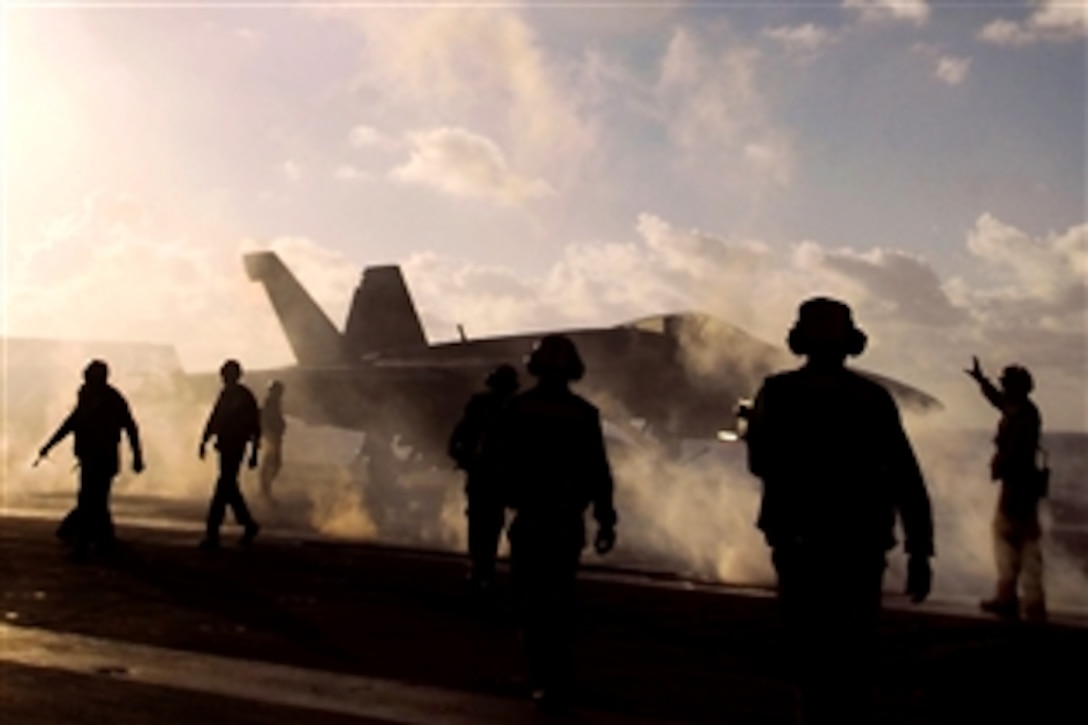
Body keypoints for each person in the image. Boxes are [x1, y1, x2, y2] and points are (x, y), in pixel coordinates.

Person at [745, 297, 934, 725]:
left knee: (808, 654)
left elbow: (760, 464)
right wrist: (920, 549)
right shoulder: (873, 399)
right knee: (853, 655)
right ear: (849, 343)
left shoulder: (776, 394)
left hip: (798, 544)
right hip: (859, 545)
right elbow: (906, 477)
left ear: (800, 341)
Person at [481, 335, 617, 715]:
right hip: (566, 522)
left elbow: (492, 461)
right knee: (560, 599)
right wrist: (606, 519)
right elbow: (598, 471)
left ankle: (543, 677)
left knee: (530, 602)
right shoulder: (584, 413)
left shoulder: (517, 409)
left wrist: (498, 502)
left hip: (531, 519)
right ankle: (558, 677)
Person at [965, 356, 1046, 622]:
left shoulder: (1023, 413)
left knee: (1011, 540)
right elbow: (999, 401)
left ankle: (1012, 600)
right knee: (1021, 541)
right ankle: (1024, 600)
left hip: (1018, 487)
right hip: (1021, 485)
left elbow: (1014, 450)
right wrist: (982, 381)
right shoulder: (1023, 410)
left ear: (1017, 387)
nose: (1004, 389)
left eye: (1007, 384)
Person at [38, 359, 144, 558]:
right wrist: (49, 445)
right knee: (95, 500)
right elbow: (73, 422)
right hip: (90, 457)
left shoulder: (112, 399)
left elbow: (130, 427)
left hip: (103, 458)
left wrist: (137, 456)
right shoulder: (87, 396)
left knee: (91, 499)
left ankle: (81, 542)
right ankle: (101, 539)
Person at [448, 364, 520, 589]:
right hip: (499, 475)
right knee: (491, 523)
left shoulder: (482, 405)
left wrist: (465, 459)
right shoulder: (517, 408)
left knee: (482, 523)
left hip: (485, 475)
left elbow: (457, 440)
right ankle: (484, 569)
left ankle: (481, 568)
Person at [199, 359, 261, 550]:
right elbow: (215, 418)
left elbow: (255, 426)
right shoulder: (227, 394)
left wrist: (254, 454)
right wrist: (204, 439)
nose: (224, 377)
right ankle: (248, 525)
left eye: (227, 374)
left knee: (222, 488)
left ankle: (212, 533)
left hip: (236, 447)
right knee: (229, 488)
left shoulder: (243, 396)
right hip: (226, 447)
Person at [259, 380, 286, 502]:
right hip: (272, 437)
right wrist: (269, 433)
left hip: (274, 437)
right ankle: (264, 491)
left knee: (274, 464)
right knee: (271, 463)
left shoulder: (274, 402)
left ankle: (265, 490)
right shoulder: (270, 402)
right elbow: (265, 419)